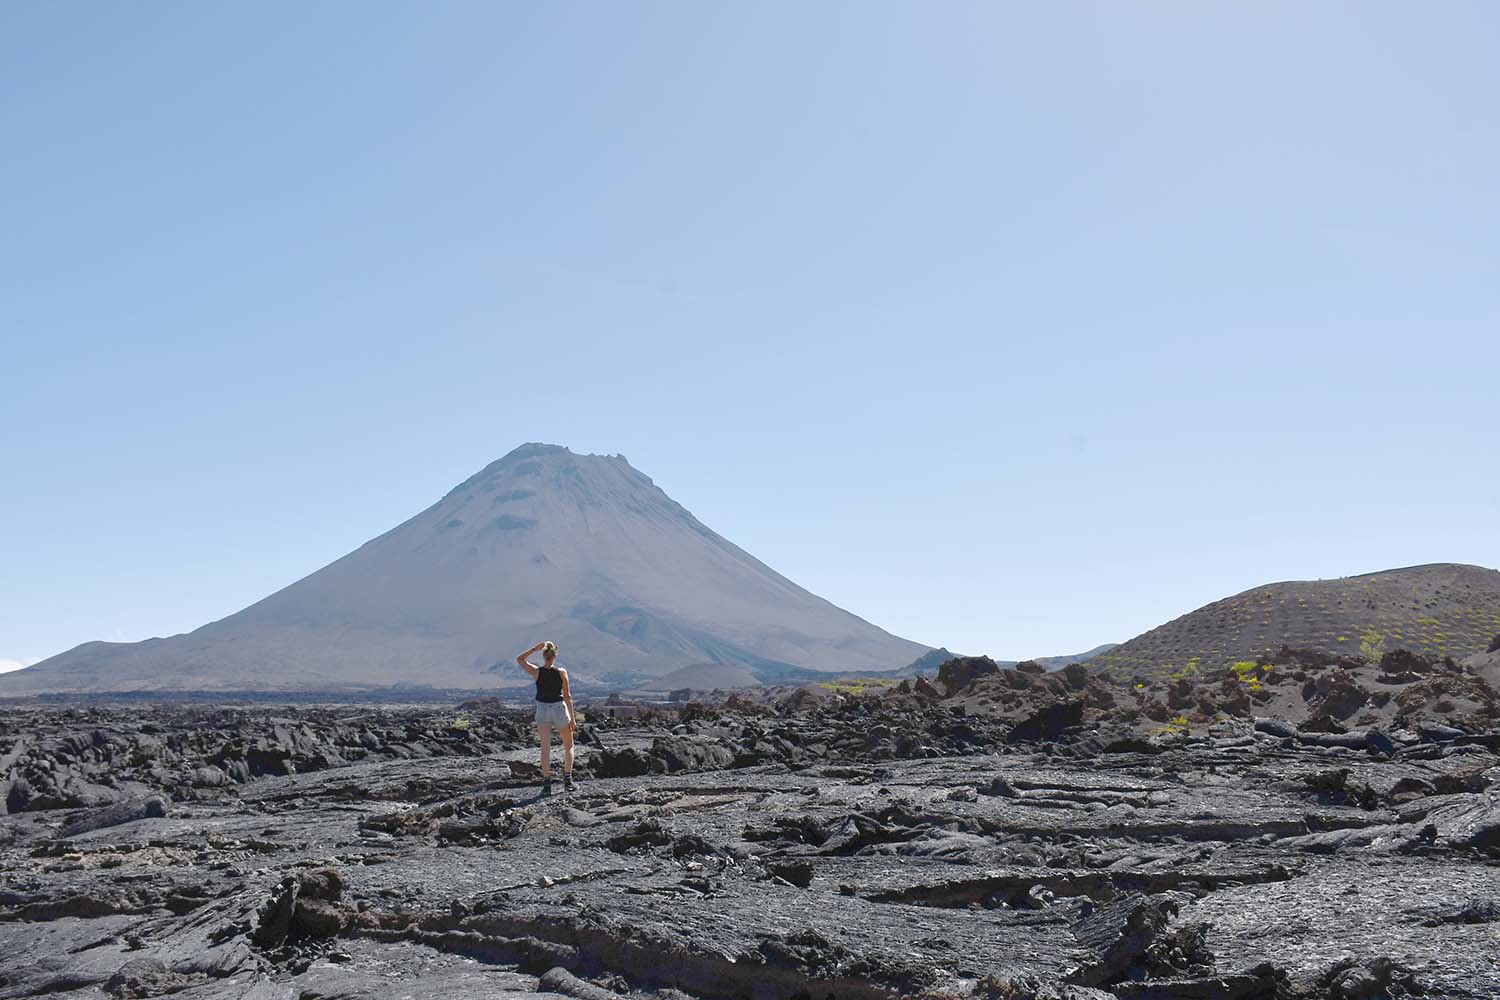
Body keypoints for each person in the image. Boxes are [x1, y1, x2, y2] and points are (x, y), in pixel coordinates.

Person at [515, 640, 576, 794]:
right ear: (555, 656)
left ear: (544, 656)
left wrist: (535, 648)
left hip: (542, 710)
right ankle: (567, 781)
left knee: (545, 749)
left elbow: (520, 659)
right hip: (559, 709)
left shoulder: (537, 672)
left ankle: (547, 784)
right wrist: (573, 718)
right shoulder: (562, 672)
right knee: (568, 746)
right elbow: (567, 696)